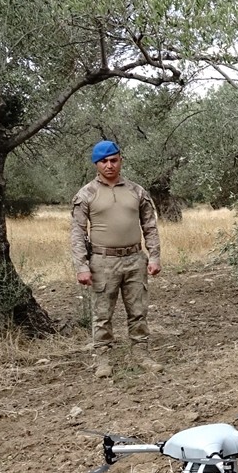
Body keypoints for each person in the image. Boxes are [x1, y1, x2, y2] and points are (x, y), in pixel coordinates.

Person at [70, 140, 164, 378]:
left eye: (113, 160)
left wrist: (154, 256)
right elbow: (78, 233)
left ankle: (142, 354)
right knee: (102, 314)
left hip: (134, 259)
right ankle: (103, 360)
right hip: (103, 262)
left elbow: (150, 226)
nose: (109, 165)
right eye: (104, 161)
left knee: (138, 311)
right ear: (96, 164)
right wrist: (82, 266)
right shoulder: (86, 194)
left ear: (120, 160)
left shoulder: (136, 191)